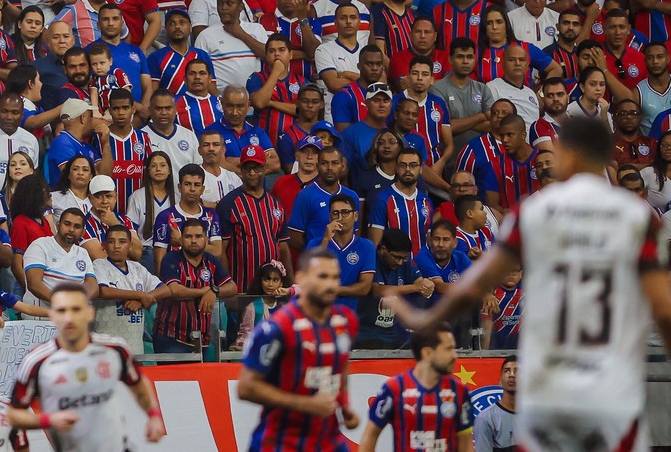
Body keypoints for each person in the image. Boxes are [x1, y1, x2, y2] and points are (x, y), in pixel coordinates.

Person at [390, 117, 671, 452]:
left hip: (549, 387)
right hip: (611, 387)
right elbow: (663, 309)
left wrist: (425, 319)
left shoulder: (536, 210)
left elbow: (474, 287)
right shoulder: (635, 214)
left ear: (567, 152)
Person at [9, 283, 168, 449]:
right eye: (62, 311)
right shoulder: (37, 361)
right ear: (53, 315)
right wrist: (47, 420)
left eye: (76, 309)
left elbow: (138, 384)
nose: (69, 318)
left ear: (90, 313)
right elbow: (13, 415)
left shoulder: (115, 350)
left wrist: (153, 415)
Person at [238, 248, 363, 452]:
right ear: (301, 279)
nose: (330, 284)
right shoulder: (277, 327)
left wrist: (345, 405)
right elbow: (246, 388)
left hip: (328, 441)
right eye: (322, 276)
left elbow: (341, 364)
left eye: (335, 277)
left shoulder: (346, 320)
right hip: (281, 443)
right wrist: (306, 404)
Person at [359, 331, 473, 452]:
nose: (454, 355)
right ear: (427, 353)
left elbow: (466, 444)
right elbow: (370, 435)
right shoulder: (394, 388)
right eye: (448, 349)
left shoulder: (460, 391)